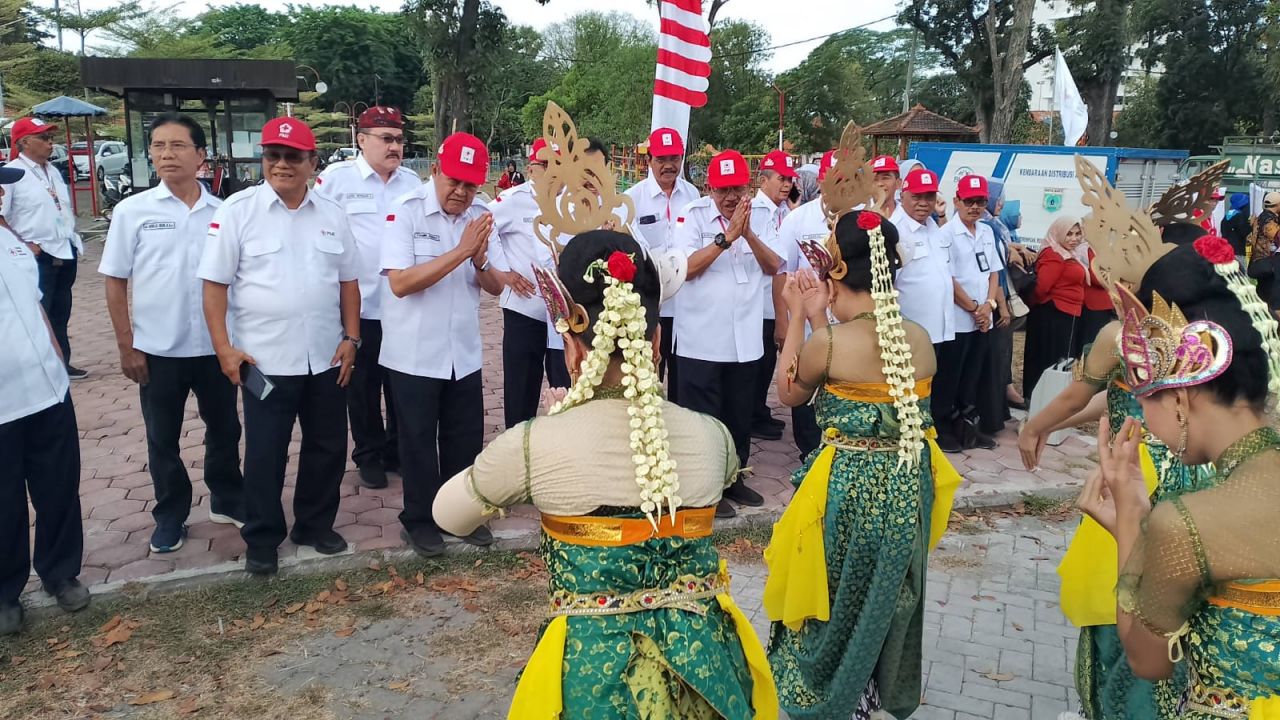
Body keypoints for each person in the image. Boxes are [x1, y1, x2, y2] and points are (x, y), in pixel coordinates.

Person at [433, 147, 776, 712]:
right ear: (657, 341)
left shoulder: (535, 445)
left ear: (570, 345)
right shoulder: (714, 439)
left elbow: (449, 516)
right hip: (710, 683)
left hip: (590, 686)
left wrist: (549, 435)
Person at [764, 154, 957, 716]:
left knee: (836, 595)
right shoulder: (919, 339)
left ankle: (830, 692)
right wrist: (821, 318)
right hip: (907, 485)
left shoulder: (829, 343)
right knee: (888, 595)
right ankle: (875, 688)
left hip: (850, 490)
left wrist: (799, 315)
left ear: (836, 269)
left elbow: (790, 393)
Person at [1077, 237, 1280, 719]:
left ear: (1179, 399)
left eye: (1144, 403)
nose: (1145, 421)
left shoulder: (1189, 524)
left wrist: (1131, 522)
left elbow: (1147, 662)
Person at [197, 117, 360, 575]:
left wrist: (352, 338)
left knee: (327, 446)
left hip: (326, 356)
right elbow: (214, 285)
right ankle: (263, 538)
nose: (282, 164)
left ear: (312, 162)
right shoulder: (238, 211)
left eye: (293, 156)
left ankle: (314, 526)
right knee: (266, 452)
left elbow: (349, 282)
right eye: (273, 155)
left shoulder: (332, 214)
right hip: (264, 359)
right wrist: (223, 348)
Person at [99, 114, 245, 553]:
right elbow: (115, 280)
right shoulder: (133, 212)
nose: (166, 154)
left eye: (178, 145)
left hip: (215, 347)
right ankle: (171, 514)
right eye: (159, 146)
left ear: (201, 155)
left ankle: (227, 498)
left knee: (225, 429)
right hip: (158, 349)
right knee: (162, 438)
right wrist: (127, 345)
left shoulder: (225, 213)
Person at [381, 132, 505, 557]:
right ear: (434, 171)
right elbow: (401, 283)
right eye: (454, 181)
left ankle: (459, 516)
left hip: (462, 351)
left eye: (470, 185)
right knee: (417, 441)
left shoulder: (482, 216)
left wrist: (480, 259)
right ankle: (418, 521)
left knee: (464, 437)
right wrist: (462, 251)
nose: (461, 192)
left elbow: (495, 286)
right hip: (413, 353)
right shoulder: (406, 211)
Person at [0, 164, 90, 635]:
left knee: (58, 488)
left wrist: (57, 359)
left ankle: (60, 573)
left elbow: (35, 304)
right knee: (4, 500)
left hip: (47, 392)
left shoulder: (10, 240)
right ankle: (5, 592)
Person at [313, 106, 420, 490]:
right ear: (361, 140)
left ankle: (396, 450)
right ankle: (368, 454)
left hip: (403, 304)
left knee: (401, 383)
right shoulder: (337, 180)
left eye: (399, 139)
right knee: (362, 387)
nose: (395, 147)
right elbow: (317, 231)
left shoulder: (412, 183)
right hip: (359, 305)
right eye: (386, 139)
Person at [673, 149, 784, 518]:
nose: (730, 197)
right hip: (701, 339)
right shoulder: (692, 215)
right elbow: (686, 268)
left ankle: (734, 478)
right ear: (709, 188)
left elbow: (774, 266)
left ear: (747, 187)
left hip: (745, 338)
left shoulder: (763, 216)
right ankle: (704, 488)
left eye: (737, 188)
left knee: (738, 414)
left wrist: (747, 233)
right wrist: (726, 238)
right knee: (703, 420)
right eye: (723, 190)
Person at [487, 138, 571, 429]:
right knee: (521, 391)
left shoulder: (572, 201)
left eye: (558, 165)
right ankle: (516, 447)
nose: (553, 172)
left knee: (567, 391)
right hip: (526, 308)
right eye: (545, 165)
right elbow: (483, 224)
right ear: (531, 168)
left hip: (564, 315)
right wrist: (503, 271)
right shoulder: (514, 199)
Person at [1, 117, 87, 379]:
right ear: (25, 142)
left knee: (61, 312)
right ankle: (41, 367)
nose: (51, 143)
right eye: (44, 138)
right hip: (37, 254)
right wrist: (24, 245)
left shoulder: (53, 171)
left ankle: (62, 362)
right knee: (40, 312)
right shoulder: (12, 174)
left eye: (51, 138)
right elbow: (1, 216)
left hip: (64, 247)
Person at [625, 127, 701, 403]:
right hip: (648, 303)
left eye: (674, 158)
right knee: (647, 376)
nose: (669, 165)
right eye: (661, 159)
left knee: (685, 376)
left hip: (686, 304)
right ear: (649, 160)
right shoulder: (633, 199)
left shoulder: (693, 196)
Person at [930, 175, 1004, 453]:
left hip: (983, 319)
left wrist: (989, 305)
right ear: (957, 201)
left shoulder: (986, 231)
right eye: (969, 201)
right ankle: (943, 428)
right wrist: (974, 309)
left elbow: (993, 272)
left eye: (980, 202)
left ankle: (969, 427)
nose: (975, 207)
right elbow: (947, 279)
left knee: (974, 375)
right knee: (949, 377)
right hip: (958, 320)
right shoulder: (946, 235)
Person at [772, 149, 835, 462]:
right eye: (834, 180)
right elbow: (782, 273)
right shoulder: (798, 220)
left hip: (849, 325)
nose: (841, 188)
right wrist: (784, 322)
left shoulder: (866, 220)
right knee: (804, 389)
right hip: (809, 326)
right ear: (821, 181)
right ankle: (809, 454)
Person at [749, 149, 796, 442]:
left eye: (790, 179)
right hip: (761, 300)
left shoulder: (786, 213)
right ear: (764, 179)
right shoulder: (754, 212)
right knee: (759, 361)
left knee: (768, 362)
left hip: (784, 299)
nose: (787, 184)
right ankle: (752, 414)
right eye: (781, 178)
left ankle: (760, 410)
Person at [1023, 216, 1088, 403]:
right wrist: (1044, 305)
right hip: (1054, 315)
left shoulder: (1069, 253)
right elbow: (1041, 287)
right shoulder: (1055, 255)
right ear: (1059, 233)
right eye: (1069, 234)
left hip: (1064, 313)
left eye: (1077, 234)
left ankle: (1050, 399)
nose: (1074, 238)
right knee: (1049, 358)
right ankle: (1041, 399)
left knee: (1058, 359)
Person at [890, 167, 955, 348]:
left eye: (929, 197)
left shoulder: (934, 227)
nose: (924, 203)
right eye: (916, 197)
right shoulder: (894, 231)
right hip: (910, 334)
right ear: (902, 196)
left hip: (941, 330)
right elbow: (887, 285)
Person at [1247, 192, 1280, 317]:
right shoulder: (1268, 220)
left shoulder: (1260, 217)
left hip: (1260, 262)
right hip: (1267, 263)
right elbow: (1277, 236)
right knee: (1272, 297)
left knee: (1264, 294)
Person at [1220, 192, 1251, 267]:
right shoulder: (1240, 216)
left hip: (1227, 249)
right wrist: (1251, 224)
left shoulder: (1228, 215)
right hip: (1238, 251)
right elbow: (1243, 232)